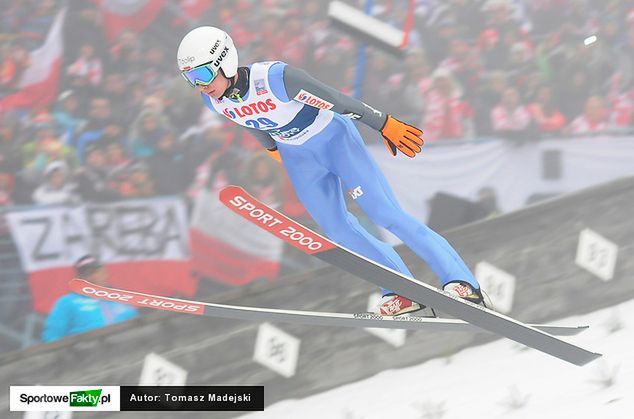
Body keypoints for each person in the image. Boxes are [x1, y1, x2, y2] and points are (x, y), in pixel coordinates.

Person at [177, 27, 484, 316]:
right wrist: (272, 150)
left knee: (384, 214)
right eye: (191, 79)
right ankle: (399, 289)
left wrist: (383, 123)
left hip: (334, 139)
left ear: (224, 61)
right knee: (336, 230)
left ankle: (461, 282)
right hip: (298, 157)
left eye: (203, 74)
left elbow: (336, 100)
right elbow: (245, 121)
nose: (201, 85)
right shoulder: (212, 100)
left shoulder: (276, 77)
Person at [41, 255, 138, 343]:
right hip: (87, 358)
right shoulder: (67, 302)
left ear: (105, 273)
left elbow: (138, 327)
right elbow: (52, 338)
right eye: (85, 274)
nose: (91, 277)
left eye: (94, 272)